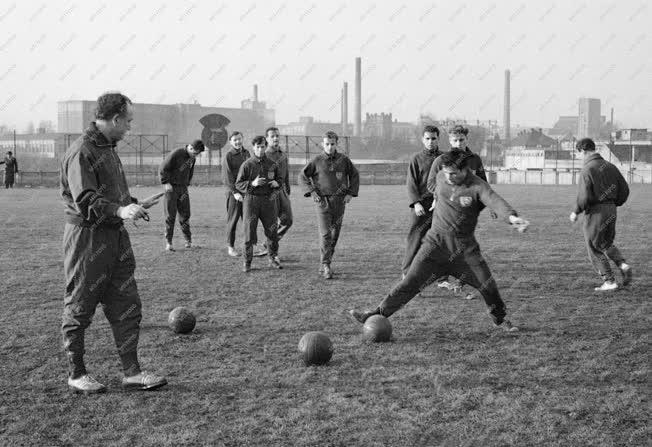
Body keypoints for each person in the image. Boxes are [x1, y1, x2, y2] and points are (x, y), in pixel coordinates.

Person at [349, 150, 529, 332]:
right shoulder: (441, 177)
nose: (448, 177)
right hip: (433, 246)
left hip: (464, 251)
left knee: (488, 286)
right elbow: (434, 187)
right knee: (408, 283)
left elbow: (494, 200)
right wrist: (436, 199)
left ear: (465, 169)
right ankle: (374, 314)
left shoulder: (477, 186)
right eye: (446, 172)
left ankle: (500, 319)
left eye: (453, 173)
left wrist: (512, 218)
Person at [60, 92, 167, 393]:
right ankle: (76, 373)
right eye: (128, 121)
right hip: (87, 240)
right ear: (116, 118)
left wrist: (133, 204)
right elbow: (86, 199)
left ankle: (132, 373)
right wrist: (120, 210)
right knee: (80, 306)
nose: (130, 128)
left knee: (126, 304)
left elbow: (108, 194)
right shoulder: (82, 151)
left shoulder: (107, 148)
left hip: (116, 236)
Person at [427, 124, 495, 297]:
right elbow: (431, 184)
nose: (458, 143)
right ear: (449, 141)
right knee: (444, 246)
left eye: (461, 140)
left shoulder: (475, 160)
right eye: (455, 140)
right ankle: (440, 278)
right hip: (446, 213)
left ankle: (462, 281)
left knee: (464, 247)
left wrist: (492, 205)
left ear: (467, 139)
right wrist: (442, 195)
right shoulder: (441, 160)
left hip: (467, 212)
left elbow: (483, 185)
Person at [570, 138, 632, 291]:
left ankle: (609, 281)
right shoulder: (611, 167)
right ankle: (622, 265)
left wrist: (576, 211)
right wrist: (614, 203)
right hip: (611, 209)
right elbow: (624, 190)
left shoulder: (587, 169)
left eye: (578, 154)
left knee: (594, 246)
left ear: (583, 151)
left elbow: (584, 197)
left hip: (596, 212)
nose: (578, 158)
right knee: (606, 243)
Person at [299, 131, 359, 279]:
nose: (330, 147)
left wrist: (350, 193)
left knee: (334, 234)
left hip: (339, 201)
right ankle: (325, 265)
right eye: (327, 144)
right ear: (322, 144)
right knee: (326, 233)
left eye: (332, 144)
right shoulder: (317, 160)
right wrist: (312, 192)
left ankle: (326, 262)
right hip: (322, 201)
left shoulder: (344, 160)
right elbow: (302, 176)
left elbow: (355, 175)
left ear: (336, 144)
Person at [235, 135, 282, 272]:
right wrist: (252, 183)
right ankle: (247, 261)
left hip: (268, 200)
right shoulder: (247, 164)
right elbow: (238, 184)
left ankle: (273, 258)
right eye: (258, 147)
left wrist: (277, 183)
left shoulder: (272, 164)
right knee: (249, 232)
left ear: (266, 147)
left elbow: (280, 179)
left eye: (263, 147)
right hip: (252, 200)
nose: (260, 150)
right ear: (253, 147)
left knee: (272, 231)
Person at [402, 125, 443, 278]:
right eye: (427, 139)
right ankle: (407, 273)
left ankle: (440, 276)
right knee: (415, 238)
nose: (430, 142)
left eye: (433, 138)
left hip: (440, 205)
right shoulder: (416, 159)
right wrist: (417, 203)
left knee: (440, 240)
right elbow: (411, 183)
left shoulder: (444, 159)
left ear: (438, 139)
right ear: (422, 140)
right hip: (421, 205)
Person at [221, 131, 267, 258]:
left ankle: (253, 245)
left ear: (243, 139)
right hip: (234, 194)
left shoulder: (247, 153)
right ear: (230, 142)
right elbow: (227, 177)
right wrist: (235, 193)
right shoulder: (228, 156)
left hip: (247, 192)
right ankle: (231, 247)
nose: (238, 142)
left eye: (239, 139)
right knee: (233, 220)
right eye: (235, 140)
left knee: (249, 220)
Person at [159, 139, 204, 251]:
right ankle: (169, 243)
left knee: (185, 215)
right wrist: (166, 183)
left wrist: (186, 183)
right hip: (171, 188)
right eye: (195, 153)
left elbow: (190, 171)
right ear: (191, 148)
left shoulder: (192, 158)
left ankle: (188, 241)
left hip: (183, 189)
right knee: (170, 215)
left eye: (197, 154)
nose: (196, 155)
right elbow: (163, 168)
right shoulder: (176, 153)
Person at [265, 127, 292, 253]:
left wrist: (287, 188)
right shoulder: (264, 155)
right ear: (267, 139)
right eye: (272, 136)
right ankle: (272, 252)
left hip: (282, 192)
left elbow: (285, 173)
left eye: (277, 136)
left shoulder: (283, 154)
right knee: (272, 223)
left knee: (288, 220)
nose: (275, 138)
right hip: (269, 194)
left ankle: (268, 243)